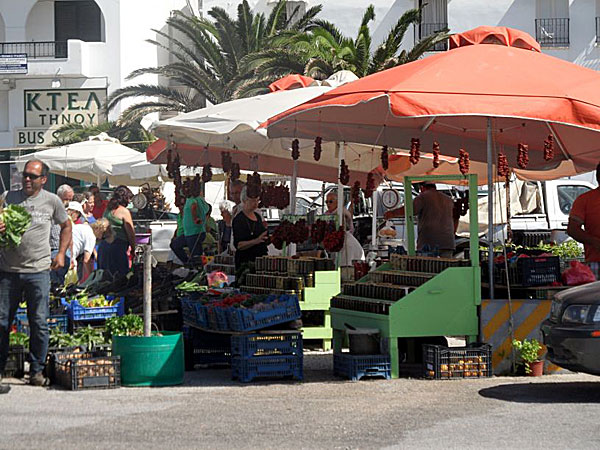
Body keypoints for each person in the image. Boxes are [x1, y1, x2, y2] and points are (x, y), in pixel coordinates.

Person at [0, 160, 71, 390]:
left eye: (33, 176)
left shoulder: (52, 201)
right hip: (8, 271)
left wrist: (61, 253)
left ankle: (37, 371)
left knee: (39, 322)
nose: (27, 179)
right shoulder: (7, 197)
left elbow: (66, 226)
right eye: (25, 175)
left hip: (38, 271)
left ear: (43, 179)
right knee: (2, 322)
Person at [384, 182, 455, 257]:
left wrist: (392, 213)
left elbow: (410, 210)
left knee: (428, 267)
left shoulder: (423, 197)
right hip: (448, 243)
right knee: (445, 267)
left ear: (422, 188)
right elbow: (455, 217)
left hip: (429, 242)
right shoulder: (448, 199)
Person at [567, 163, 600, 278]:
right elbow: (572, 229)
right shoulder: (585, 200)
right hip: (596, 260)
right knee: (595, 295)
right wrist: (595, 242)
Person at [98, 186, 135, 277]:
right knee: (119, 277)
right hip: (117, 248)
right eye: (129, 199)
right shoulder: (124, 211)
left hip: (104, 246)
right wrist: (133, 249)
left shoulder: (108, 209)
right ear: (125, 198)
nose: (130, 202)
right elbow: (131, 233)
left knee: (104, 277)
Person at [233, 186, 269, 271]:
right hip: (246, 263)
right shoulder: (239, 219)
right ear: (244, 200)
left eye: (257, 200)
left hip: (260, 261)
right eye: (253, 201)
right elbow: (239, 245)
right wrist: (256, 241)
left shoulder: (257, 216)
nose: (256, 203)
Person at [171, 193, 209, 265]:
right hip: (188, 234)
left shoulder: (193, 199)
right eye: (178, 205)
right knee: (175, 245)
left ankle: (196, 267)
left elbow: (194, 207)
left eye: (182, 205)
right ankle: (187, 262)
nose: (180, 207)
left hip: (194, 233)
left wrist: (195, 218)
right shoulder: (182, 212)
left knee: (196, 257)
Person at [66, 201, 96, 282]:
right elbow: (86, 260)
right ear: (74, 212)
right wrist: (91, 280)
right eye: (78, 215)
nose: (78, 218)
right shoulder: (88, 232)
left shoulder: (69, 224)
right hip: (68, 258)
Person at [50, 184, 73, 285]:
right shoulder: (52, 209)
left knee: (58, 282)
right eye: (66, 199)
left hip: (63, 251)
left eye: (70, 199)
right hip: (53, 250)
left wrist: (71, 255)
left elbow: (69, 232)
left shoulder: (65, 212)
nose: (68, 203)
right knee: (54, 282)